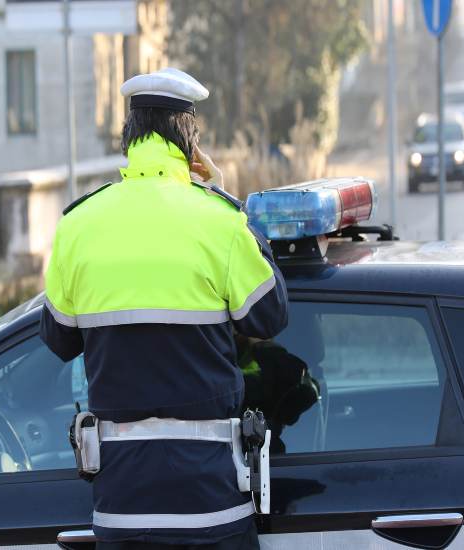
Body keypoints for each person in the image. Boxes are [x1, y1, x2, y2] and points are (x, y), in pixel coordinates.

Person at [40, 68, 288, 549]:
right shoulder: (219, 221)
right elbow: (270, 314)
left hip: (122, 509)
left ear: (128, 137)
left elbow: (58, 339)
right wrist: (230, 209)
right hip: (212, 505)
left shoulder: (78, 225)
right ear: (190, 142)